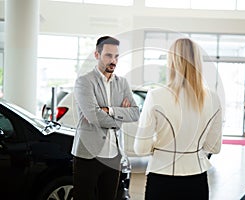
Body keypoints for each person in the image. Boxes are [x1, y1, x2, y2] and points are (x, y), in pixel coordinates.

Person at [134, 38, 223, 200]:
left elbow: (141, 148)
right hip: (197, 179)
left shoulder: (156, 96)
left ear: (172, 62)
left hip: (162, 177)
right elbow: (214, 147)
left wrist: (159, 146)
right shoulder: (213, 98)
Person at [71, 35, 140, 200]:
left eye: (116, 56)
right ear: (97, 55)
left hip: (114, 157)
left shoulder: (122, 83)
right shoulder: (85, 81)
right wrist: (120, 117)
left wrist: (108, 110)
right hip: (88, 155)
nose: (113, 60)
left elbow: (136, 112)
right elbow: (94, 116)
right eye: (108, 55)